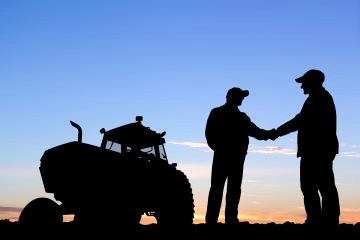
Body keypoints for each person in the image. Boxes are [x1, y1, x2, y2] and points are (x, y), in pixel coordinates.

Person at [273, 69, 340, 226]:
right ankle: (320, 219)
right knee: (317, 186)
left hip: (317, 150)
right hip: (318, 149)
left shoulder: (320, 98)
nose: (301, 86)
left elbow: (300, 121)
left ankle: (322, 220)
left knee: (318, 186)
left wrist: (276, 132)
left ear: (313, 82)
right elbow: (301, 120)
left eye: (304, 83)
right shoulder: (317, 98)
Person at [205, 87, 275, 224]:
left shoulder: (239, 117)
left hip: (233, 158)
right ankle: (218, 220)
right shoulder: (220, 113)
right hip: (228, 157)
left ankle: (227, 219)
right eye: (240, 96)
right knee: (222, 188)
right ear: (232, 97)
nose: (242, 99)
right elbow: (210, 135)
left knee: (230, 189)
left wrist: (271, 134)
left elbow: (257, 132)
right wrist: (220, 149)